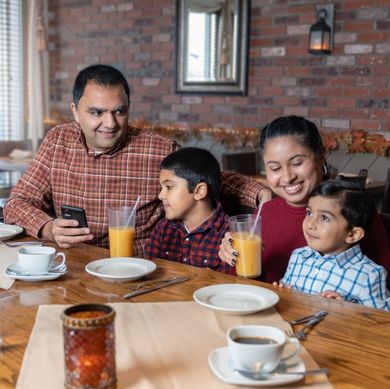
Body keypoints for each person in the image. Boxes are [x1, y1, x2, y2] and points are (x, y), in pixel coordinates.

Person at [4, 64, 269, 255]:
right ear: (75, 112)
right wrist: (48, 228)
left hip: (137, 270)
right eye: (96, 112)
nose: (110, 123)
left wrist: (260, 194)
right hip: (73, 265)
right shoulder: (57, 141)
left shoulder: (157, 149)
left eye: (119, 111)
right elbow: (16, 203)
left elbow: (207, 177)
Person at [218, 115, 390, 284]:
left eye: (297, 163)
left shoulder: (351, 210)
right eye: (275, 168)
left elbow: (381, 288)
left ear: (321, 157)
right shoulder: (265, 213)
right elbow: (247, 284)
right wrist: (232, 256)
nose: (287, 177)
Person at [274, 180, 389, 311]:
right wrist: (280, 291)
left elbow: (382, 322)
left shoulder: (370, 275)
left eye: (324, 218)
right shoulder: (299, 256)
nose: (310, 224)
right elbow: (286, 289)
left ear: (353, 234)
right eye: (309, 213)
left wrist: (347, 311)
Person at [145, 147, 233, 273]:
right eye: (162, 187)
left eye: (169, 187)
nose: (161, 195)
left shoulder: (229, 234)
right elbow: (148, 275)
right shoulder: (162, 229)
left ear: (199, 191)